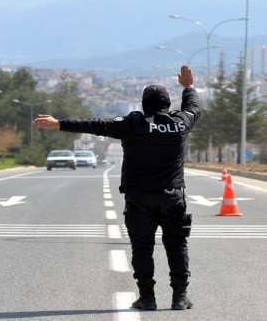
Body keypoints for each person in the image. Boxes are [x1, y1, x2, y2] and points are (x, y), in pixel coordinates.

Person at [33, 65, 201, 311]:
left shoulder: (133, 124)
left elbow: (96, 124)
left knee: (142, 247)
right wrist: (188, 87)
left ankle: (147, 297)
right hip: (172, 197)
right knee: (177, 245)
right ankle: (180, 297)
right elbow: (193, 108)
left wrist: (60, 123)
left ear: (145, 105)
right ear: (167, 104)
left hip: (139, 199)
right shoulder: (180, 123)